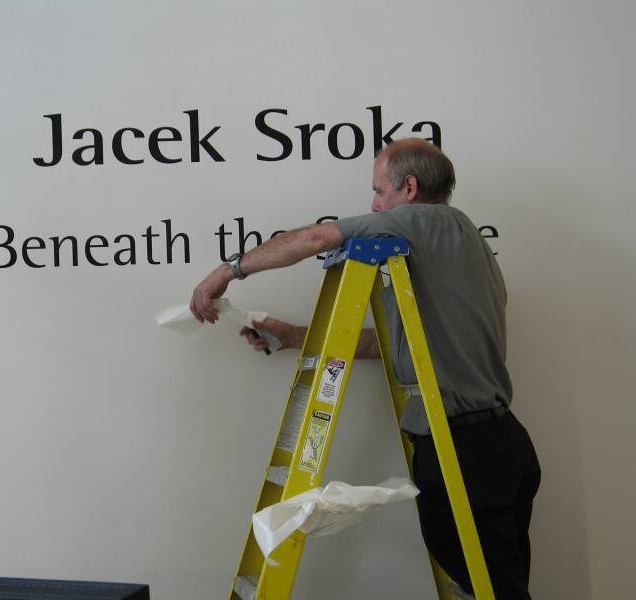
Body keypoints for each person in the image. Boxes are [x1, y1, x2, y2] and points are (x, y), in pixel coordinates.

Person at [190, 138, 540, 599]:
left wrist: (227, 271)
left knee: (492, 589)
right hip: (497, 443)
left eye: (379, 190)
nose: (374, 204)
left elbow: (315, 238)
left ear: (409, 188)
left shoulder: (424, 221)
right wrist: (293, 336)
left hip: (465, 449)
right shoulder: (459, 243)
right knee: (493, 587)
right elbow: (394, 345)